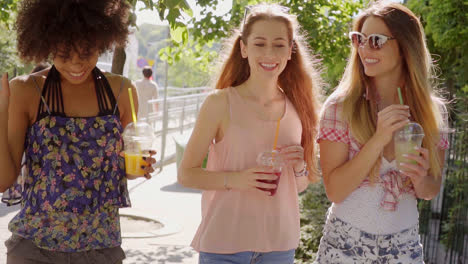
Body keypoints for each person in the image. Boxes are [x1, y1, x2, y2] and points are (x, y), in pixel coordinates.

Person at [0, 0, 156, 263]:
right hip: (35, 250)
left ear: (102, 39)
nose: (76, 64)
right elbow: (3, 181)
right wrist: (1, 111)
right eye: (63, 54)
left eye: (87, 52)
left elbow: (126, 168)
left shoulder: (122, 91)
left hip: (101, 249)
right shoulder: (26, 90)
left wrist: (138, 165)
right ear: (46, 43)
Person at [177, 4, 323, 264]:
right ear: (244, 48)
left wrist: (300, 166)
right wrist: (237, 179)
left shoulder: (298, 108)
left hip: (279, 246)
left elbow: (298, 186)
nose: (269, 53)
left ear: (290, 51)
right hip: (224, 244)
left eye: (279, 45)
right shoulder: (219, 103)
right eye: (259, 43)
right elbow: (186, 174)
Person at [314, 1, 450, 263]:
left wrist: (421, 178)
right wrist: (378, 139)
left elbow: (430, 189)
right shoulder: (340, 107)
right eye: (359, 39)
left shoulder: (432, 111)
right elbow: (335, 191)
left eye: (376, 40)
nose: (365, 49)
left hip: (404, 247)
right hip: (345, 245)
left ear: (405, 47)